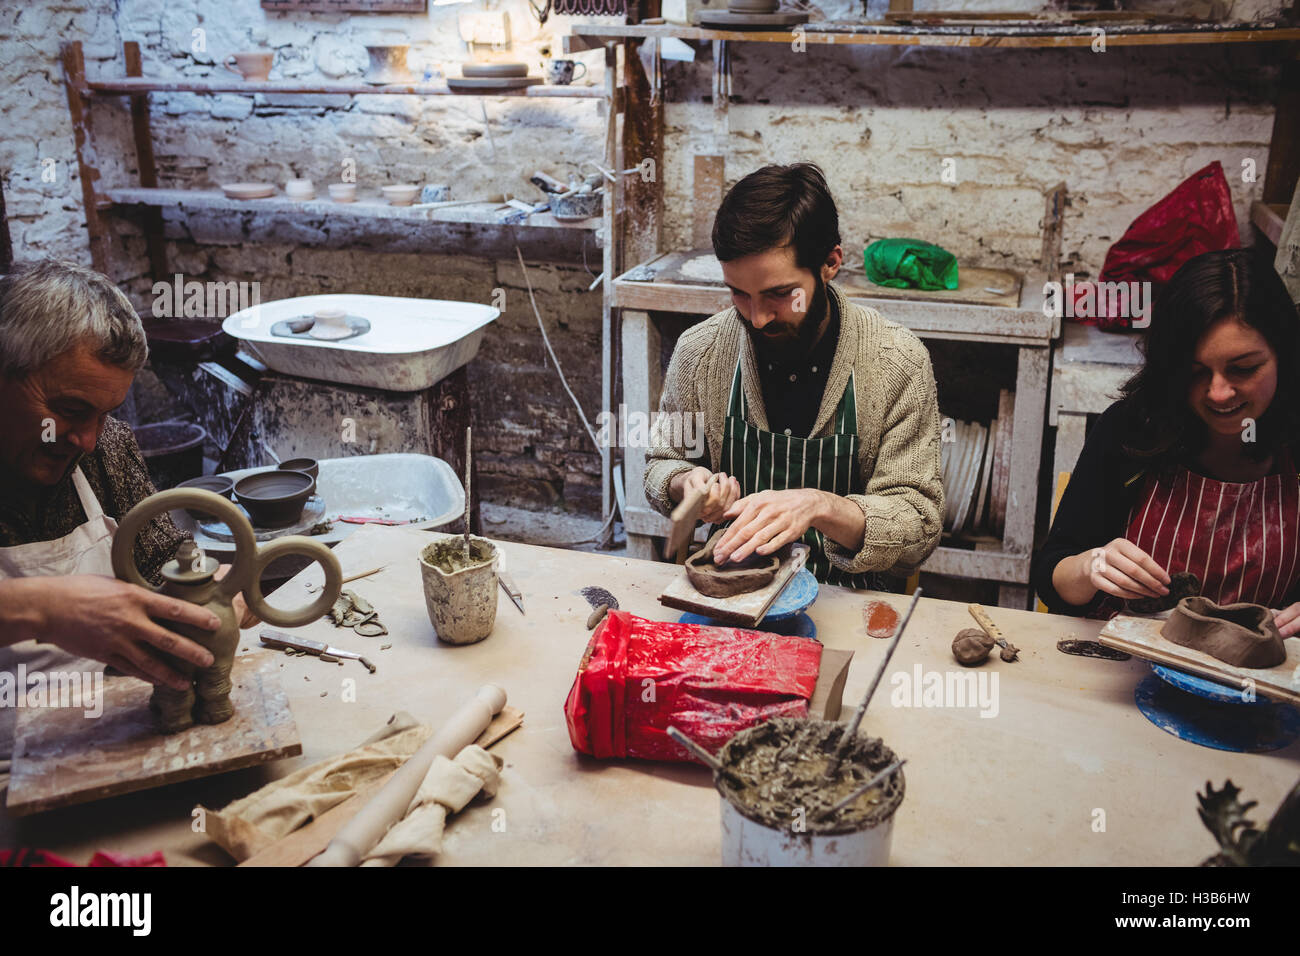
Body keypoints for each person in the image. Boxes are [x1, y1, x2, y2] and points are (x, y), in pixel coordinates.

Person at [643, 163, 944, 588]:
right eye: (739, 294)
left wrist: (821, 506)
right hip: (733, 589)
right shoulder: (701, 352)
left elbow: (919, 523)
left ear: (830, 263)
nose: (759, 317)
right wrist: (685, 485)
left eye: (780, 295)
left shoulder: (896, 361)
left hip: (850, 600)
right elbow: (662, 462)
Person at [0, 259, 256, 693]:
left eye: (105, 414)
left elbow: (162, 566)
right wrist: (44, 608)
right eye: (71, 410)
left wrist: (206, 593)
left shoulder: (106, 448)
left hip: (103, 732)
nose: (86, 440)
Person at [1032, 248, 1300, 636]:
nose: (1219, 392)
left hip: (1257, 677)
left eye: (1243, 369)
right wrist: (1092, 567)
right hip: (1121, 666)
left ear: (1284, 355)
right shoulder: (1132, 430)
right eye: (1195, 372)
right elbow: (1051, 578)